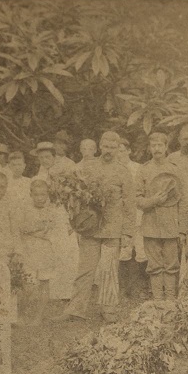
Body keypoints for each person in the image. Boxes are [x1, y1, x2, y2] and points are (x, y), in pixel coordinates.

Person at [55, 131, 134, 322]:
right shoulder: (89, 167)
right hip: (90, 228)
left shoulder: (123, 171)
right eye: (106, 146)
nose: (108, 151)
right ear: (100, 146)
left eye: (113, 147)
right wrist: (77, 222)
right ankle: (75, 309)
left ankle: (108, 310)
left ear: (118, 149)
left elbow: (130, 203)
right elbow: (77, 194)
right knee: (85, 269)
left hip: (112, 228)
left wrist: (128, 233)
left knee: (109, 270)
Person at [136, 132, 188, 300]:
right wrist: (153, 201)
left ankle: (170, 301)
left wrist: (182, 230)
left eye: (160, 145)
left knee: (171, 265)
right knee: (154, 265)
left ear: (166, 147)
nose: (157, 149)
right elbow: (137, 199)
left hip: (171, 226)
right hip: (151, 225)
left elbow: (184, 201)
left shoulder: (176, 170)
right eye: (153, 146)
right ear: (149, 148)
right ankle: (158, 302)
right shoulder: (143, 170)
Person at [30, 141, 79, 302]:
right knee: (49, 253)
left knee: (66, 252)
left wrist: (70, 219)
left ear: (54, 157)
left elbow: (72, 197)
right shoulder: (39, 176)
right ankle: (50, 292)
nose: (45, 160)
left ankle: (67, 292)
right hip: (44, 216)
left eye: (48, 156)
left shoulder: (63, 173)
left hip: (62, 216)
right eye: (42, 157)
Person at [16, 180, 55, 326]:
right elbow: (21, 228)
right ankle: (20, 315)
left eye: (43, 194)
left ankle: (38, 318)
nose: (40, 198)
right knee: (27, 285)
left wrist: (32, 230)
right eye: (36, 194)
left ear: (47, 195)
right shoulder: (25, 209)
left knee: (44, 283)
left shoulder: (51, 209)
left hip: (45, 251)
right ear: (30, 194)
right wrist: (37, 228)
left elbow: (49, 231)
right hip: (28, 251)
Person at [118, 137, 149, 300]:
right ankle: (124, 289)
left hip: (138, 215)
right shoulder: (114, 169)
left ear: (129, 151)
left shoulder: (138, 168)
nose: (119, 154)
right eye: (116, 151)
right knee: (124, 253)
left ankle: (140, 288)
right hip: (121, 217)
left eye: (122, 151)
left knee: (142, 251)